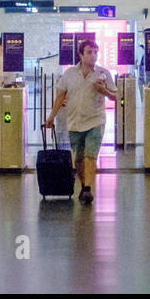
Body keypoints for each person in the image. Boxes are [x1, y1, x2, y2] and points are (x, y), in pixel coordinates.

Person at [43, 39, 115, 205]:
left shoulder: (103, 73)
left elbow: (115, 96)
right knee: (79, 158)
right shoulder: (69, 74)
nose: (93, 55)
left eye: (96, 52)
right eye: (89, 52)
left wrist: (103, 90)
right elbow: (60, 97)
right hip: (74, 121)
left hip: (95, 120)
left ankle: (88, 189)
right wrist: (51, 116)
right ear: (81, 54)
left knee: (91, 155)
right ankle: (83, 184)